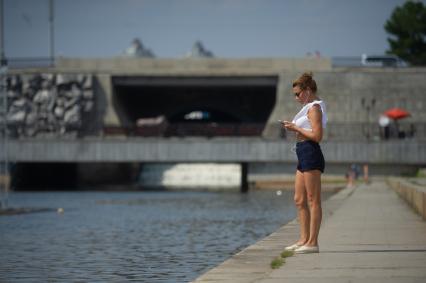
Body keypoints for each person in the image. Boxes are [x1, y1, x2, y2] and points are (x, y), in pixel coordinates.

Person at [280, 72, 327, 254]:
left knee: (313, 199)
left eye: (298, 93)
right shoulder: (308, 107)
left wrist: (296, 128)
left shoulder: (314, 108)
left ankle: (312, 242)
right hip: (302, 152)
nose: (296, 97)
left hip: (310, 151)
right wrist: (294, 128)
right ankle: (303, 239)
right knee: (299, 199)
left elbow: (317, 136)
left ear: (308, 90)